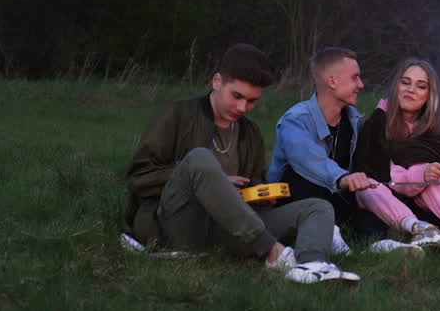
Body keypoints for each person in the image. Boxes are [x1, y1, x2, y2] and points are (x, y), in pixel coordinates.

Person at [123, 44, 359, 283]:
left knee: (317, 207)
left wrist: (259, 194)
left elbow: (253, 183)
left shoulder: (250, 132)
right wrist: (212, 182)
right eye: (236, 96)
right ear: (217, 82)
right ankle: (273, 252)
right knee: (199, 159)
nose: (242, 108)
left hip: (231, 228)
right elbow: (138, 176)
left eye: (252, 101)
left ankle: (312, 265)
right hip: (180, 224)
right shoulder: (178, 114)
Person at [353, 58, 440, 255]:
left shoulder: (439, 130)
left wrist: (427, 173)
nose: (411, 90)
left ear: (430, 95)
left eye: (420, 86)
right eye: (405, 82)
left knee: (434, 177)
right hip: (388, 199)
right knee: (367, 186)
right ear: (396, 87)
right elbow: (378, 171)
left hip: (431, 204)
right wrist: (419, 174)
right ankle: (420, 229)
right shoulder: (377, 124)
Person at [268, 47, 373, 246]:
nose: (361, 85)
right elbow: (307, 159)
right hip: (295, 201)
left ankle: (380, 243)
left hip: (335, 199)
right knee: (299, 175)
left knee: (368, 203)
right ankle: (329, 237)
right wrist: (342, 178)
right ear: (332, 81)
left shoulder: (354, 121)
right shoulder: (295, 120)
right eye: (355, 77)